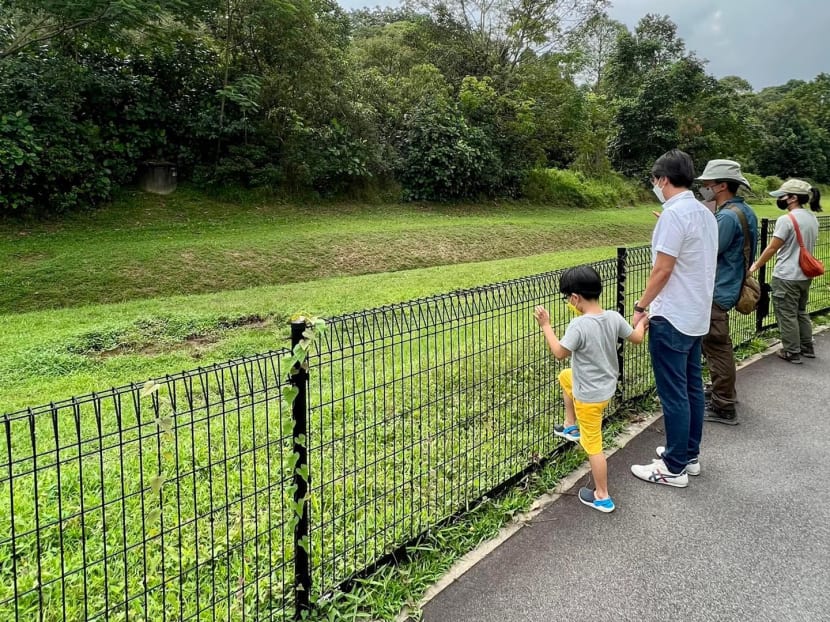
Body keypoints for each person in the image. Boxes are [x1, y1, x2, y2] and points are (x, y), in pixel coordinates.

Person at [629, 150, 718, 488]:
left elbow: (662, 269)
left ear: (663, 179)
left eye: (655, 180)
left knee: (673, 393)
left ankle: (673, 467)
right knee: (692, 386)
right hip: (696, 314)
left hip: (672, 315)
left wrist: (641, 306)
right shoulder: (704, 213)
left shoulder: (674, 216)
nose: (655, 185)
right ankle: (687, 453)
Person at [534, 265, 648, 513]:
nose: (568, 302)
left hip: (588, 398)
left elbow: (559, 353)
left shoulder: (579, 325)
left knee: (594, 446)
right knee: (566, 377)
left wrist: (546, 326)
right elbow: (637, 339)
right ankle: (569, 426)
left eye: (567, 298)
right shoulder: (614, 318)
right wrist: (643, 323)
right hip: (605, 388)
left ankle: (602, 496)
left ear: (575, 298)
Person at [696, 160, 758, 425]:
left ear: (722, 185)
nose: (705, 189)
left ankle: (724, 405)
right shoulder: (744, 211)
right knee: (716, 345)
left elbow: (706, 251)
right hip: (730, 286)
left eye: (709, 185)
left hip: (718, 290)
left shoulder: (727, 217)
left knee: (718, 347)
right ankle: (722, 392)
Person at [749, 179, 823, 363]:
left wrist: (755, 266)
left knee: (786, 314)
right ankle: (807, 346)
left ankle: (791, 351)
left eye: (782, 196)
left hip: (786, 275)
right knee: (800, 311)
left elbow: (772, 248)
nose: (780, 199)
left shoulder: (786, 220)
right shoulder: (812, 218)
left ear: (792, 198)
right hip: (805, 274)